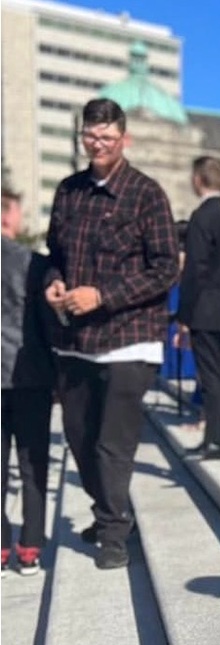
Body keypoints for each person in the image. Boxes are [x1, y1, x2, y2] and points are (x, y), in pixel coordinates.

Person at [44, 97, 178, 570]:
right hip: (76, 339)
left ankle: (114, 533)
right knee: (79, 436)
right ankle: (109, 515)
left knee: (112, 442)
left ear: (124, 139)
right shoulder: (68, 191)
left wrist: (103, 295)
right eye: (90, 136)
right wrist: (54, 282)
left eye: (107, 137)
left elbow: (165, 269)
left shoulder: (146, 193)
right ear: (82, 136)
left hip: (131, 335)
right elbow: (54, 252)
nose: (97, 144)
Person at [2, 185, 54, 576]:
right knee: (33, 461)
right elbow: (48, 325)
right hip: (30, 372)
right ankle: (30, 547)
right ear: (10, 217)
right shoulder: (34, 265)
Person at [177, 157, 220, 461]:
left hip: (205, 307)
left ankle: (214, 441)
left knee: (210, 376)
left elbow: (194, 270)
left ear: (199, 179)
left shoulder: (202, 217)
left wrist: (183, 316)